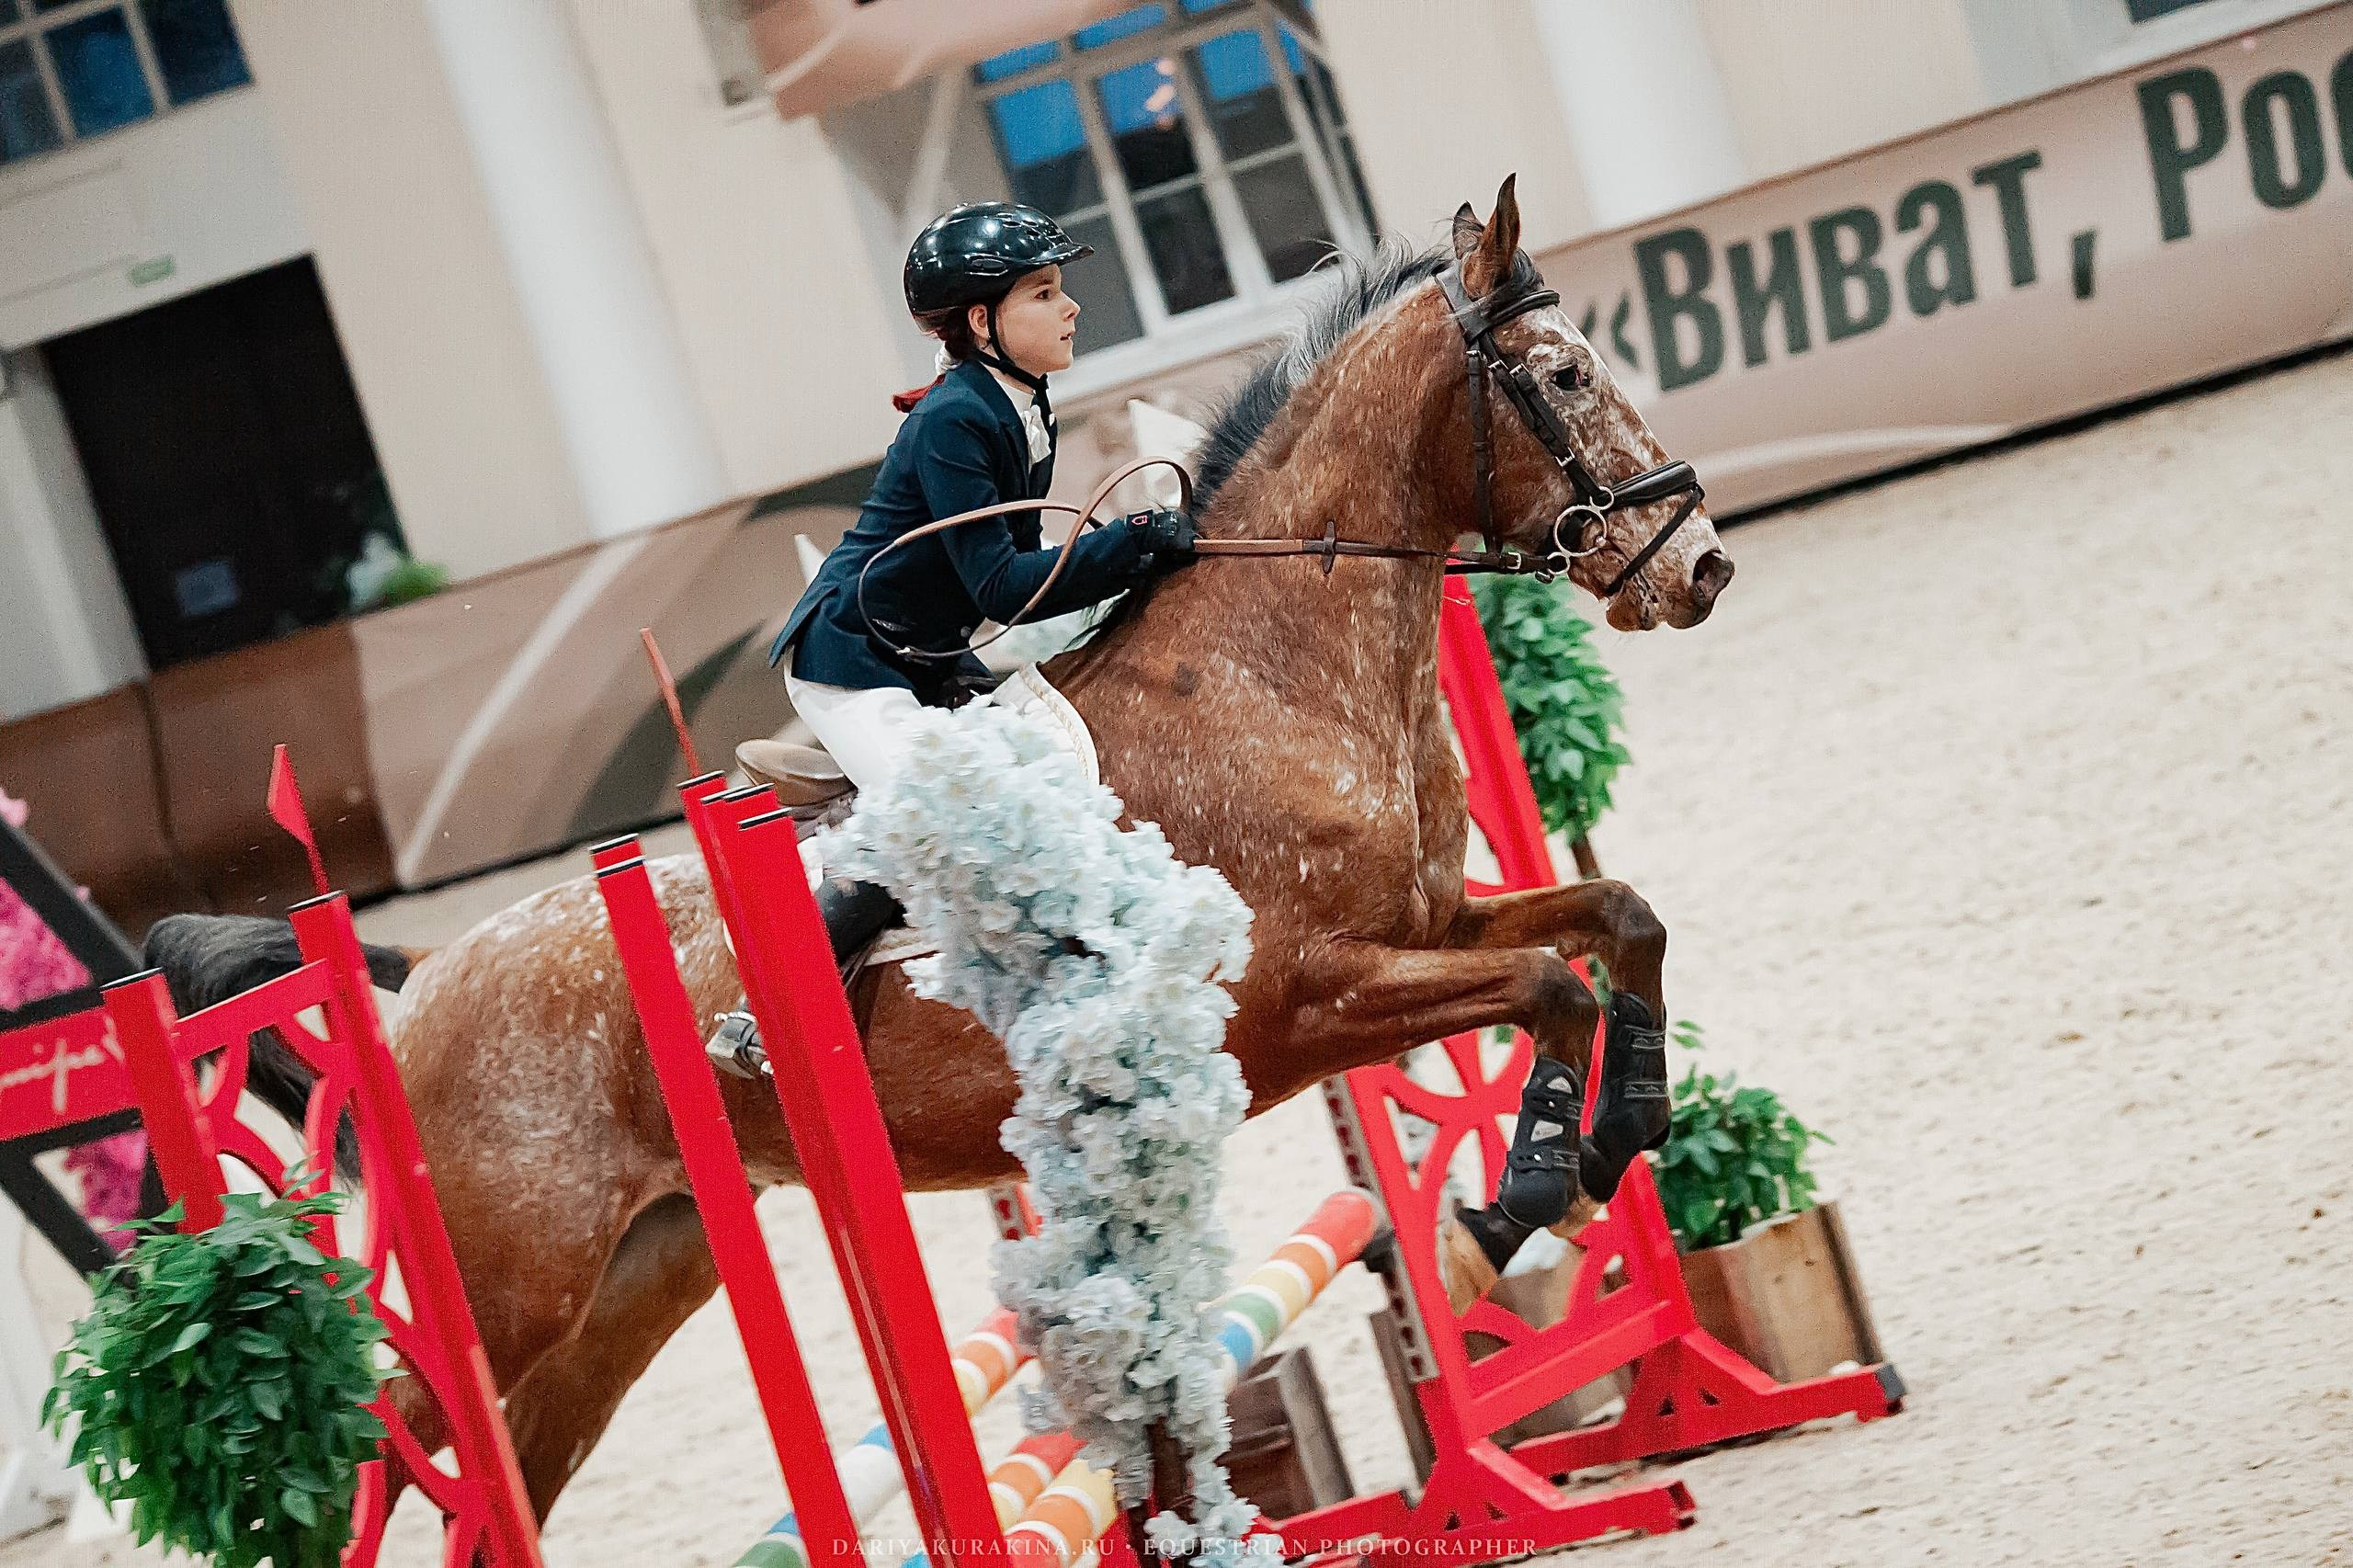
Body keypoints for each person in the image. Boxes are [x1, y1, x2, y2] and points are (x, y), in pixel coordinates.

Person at [768, 201, 1196, 964]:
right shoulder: (955, 418)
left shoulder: (1024, 405)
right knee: (948, 822)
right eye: (1044, 293)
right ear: (981, 320)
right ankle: (773, 1001)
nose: (1070, 308)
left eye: (1060, 289)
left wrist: (1133, 560)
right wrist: (1130, 541)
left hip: (930, 656)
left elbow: (1025, 568)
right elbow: (1004, 588)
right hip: (855, 660)